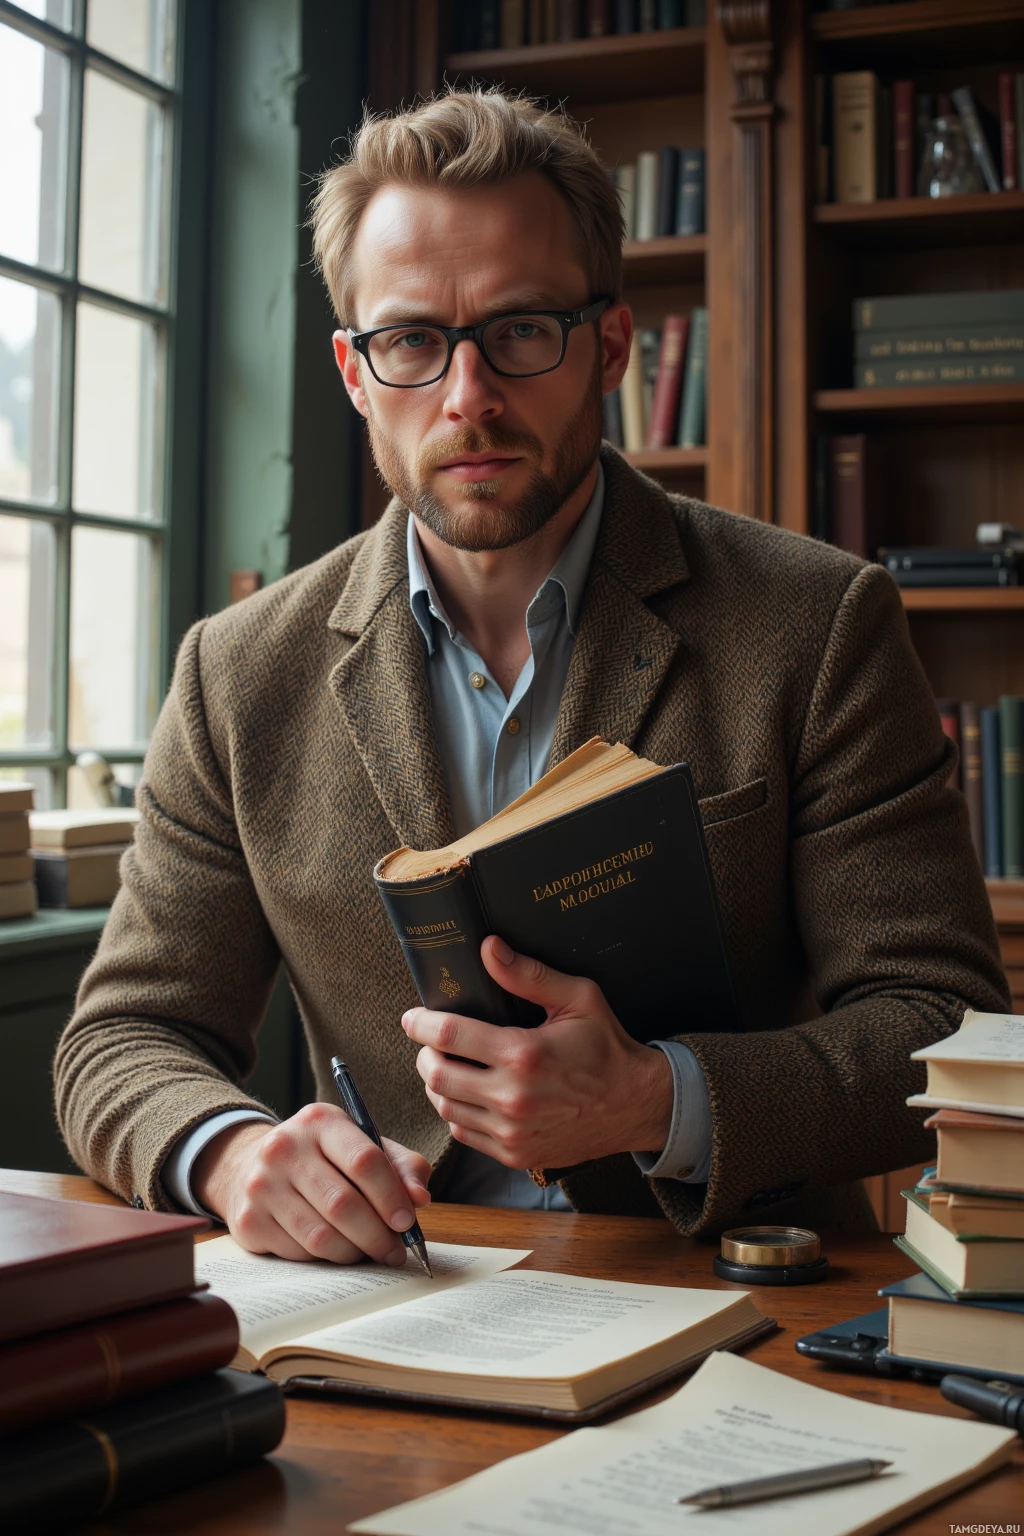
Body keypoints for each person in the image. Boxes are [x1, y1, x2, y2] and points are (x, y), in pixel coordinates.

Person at [56, 89, 1009, 1264]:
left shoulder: (816, 624)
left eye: (520, 330)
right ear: (355, 373)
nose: (468, 399)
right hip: (387, 1300)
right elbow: (122, 1038)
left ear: (608, 345)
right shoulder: (236, 671)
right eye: (412, 341)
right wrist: (229, 1149)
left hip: (731, 1302)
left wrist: (661, 1099)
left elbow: (941, 1027)